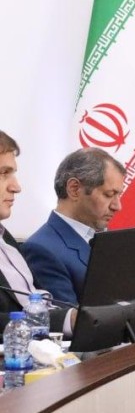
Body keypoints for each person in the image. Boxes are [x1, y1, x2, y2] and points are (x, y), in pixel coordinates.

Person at [21, 148, 125, 305]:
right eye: (109, 195)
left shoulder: (109, 239)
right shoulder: (41, 249)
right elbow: (70, 316)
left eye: (119, 195)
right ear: (74, 189)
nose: (117, 206)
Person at [0, 131, 72, 333]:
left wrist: (79, 318)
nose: (16, 187)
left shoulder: (5, 238)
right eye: (3, 173)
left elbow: (37, 299)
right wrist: (66, 321)